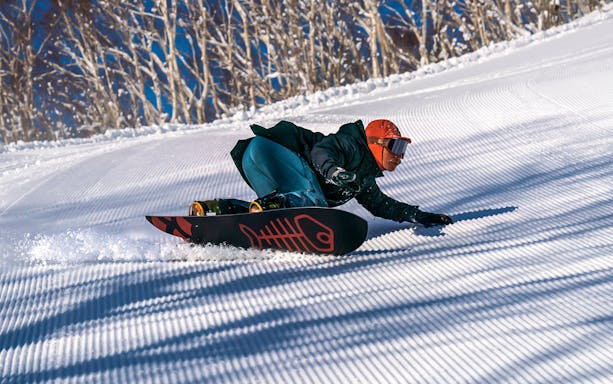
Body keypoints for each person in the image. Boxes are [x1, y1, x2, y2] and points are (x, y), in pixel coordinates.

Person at [189, 119, 452, 227]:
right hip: (273, 150)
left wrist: (418, 216)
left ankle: (214, 211)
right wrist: (334, 171)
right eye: (395, 145)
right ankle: (274, 206)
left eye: (403, 147)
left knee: (273, 207)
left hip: (254, 156)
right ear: (375, 143)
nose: (400, 155)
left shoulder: (363, 178)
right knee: (315, 205)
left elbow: (381, 205)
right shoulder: (351, 145)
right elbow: (320, 154)